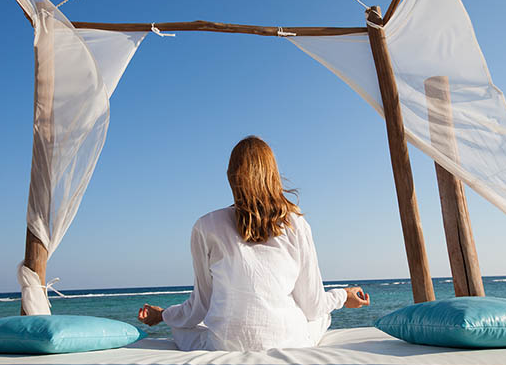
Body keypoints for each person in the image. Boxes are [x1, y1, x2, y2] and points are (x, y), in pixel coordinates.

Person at [138, 136, 370, 351]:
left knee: (180, 327)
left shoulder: (205, 226)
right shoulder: (295, 223)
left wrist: (162, 315)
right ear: (273, 175)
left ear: (230, 176)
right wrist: (343, 295)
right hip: (290, 342)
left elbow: (200, 307)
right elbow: (313, 306)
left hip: (226, 345)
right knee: (322, 316)